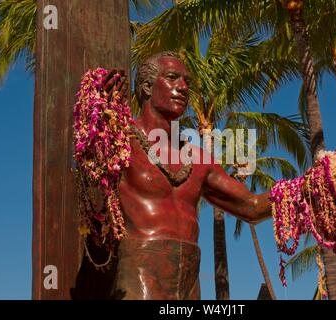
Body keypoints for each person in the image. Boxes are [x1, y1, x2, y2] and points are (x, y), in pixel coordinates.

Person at [73, 51, 272, 300]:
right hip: (138, 276)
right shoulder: (120, 140)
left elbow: (251, 206)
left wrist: (309, 187)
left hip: (189, 285)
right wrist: (97, 101)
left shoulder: (198, 158)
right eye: (172, 78)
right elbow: (88, 160)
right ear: (146, 87)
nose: (183, 87)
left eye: (186, 81)